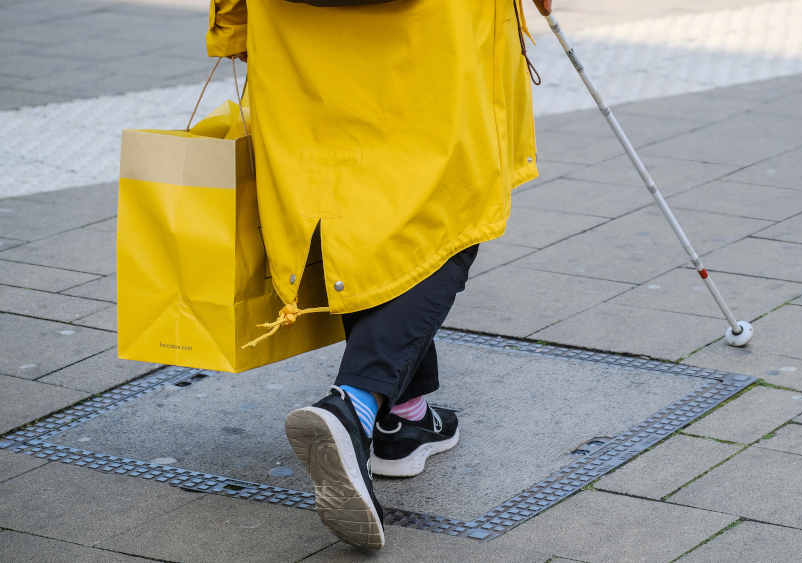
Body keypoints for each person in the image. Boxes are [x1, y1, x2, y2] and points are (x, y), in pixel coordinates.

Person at [206, 0, 552, 550]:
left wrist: (234, 25)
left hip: (296, 28)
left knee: (353, 204)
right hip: (432, 35)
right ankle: (357, 405)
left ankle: (405, 415)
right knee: (448, 213)